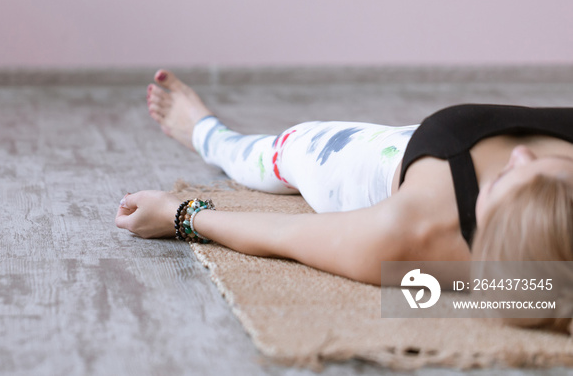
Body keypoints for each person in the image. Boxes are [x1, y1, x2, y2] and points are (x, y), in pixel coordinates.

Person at [115, 69, 573, 333]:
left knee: (281, 154)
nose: (521, 151)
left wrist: (179, 214)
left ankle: (211, 135)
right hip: (446, 151)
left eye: (506, 178)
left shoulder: (405, 235)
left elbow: (284, 234)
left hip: (375, 163)